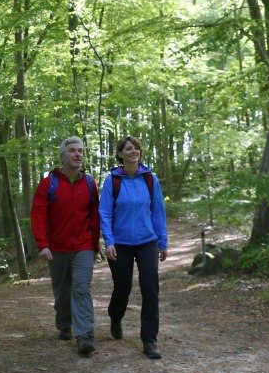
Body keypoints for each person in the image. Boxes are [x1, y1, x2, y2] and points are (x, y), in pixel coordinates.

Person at [99, 136, 168, 359]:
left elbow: (158, 211)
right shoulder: (112, 180)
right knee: (123, 287)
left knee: (150, 288)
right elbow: (105, 213)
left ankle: (149, 340)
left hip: (147, 241)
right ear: (120, 154)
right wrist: (109, 241)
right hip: (120, 243)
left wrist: (162, 241)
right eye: (128, 148)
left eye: (136, 148)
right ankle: (115, 317)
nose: (134, 151)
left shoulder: (150, 179)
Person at [30, 137, 101, 356]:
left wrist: (95, 244)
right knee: (62, 291)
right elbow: (38, 215)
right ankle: (63, 323)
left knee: (81, 288)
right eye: (72, 151)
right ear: (62, 156)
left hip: (83, 246)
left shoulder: (89, 183)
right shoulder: (48, 183)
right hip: (57, 247)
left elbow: (95, 216)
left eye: (80, 151)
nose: (77, 154)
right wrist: (43, 244)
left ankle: (85, 335)